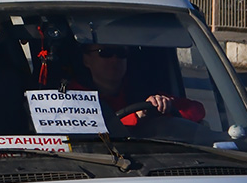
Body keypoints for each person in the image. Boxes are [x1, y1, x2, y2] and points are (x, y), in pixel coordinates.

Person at [75, 43, 205, 125]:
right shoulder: (72, 95)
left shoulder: (141, 92)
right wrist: (135, 117)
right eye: (105, 52)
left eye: (121, 52)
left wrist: (162, 108)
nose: (115, 59)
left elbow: (196, 110)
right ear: (86, 60)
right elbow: (81, 130)